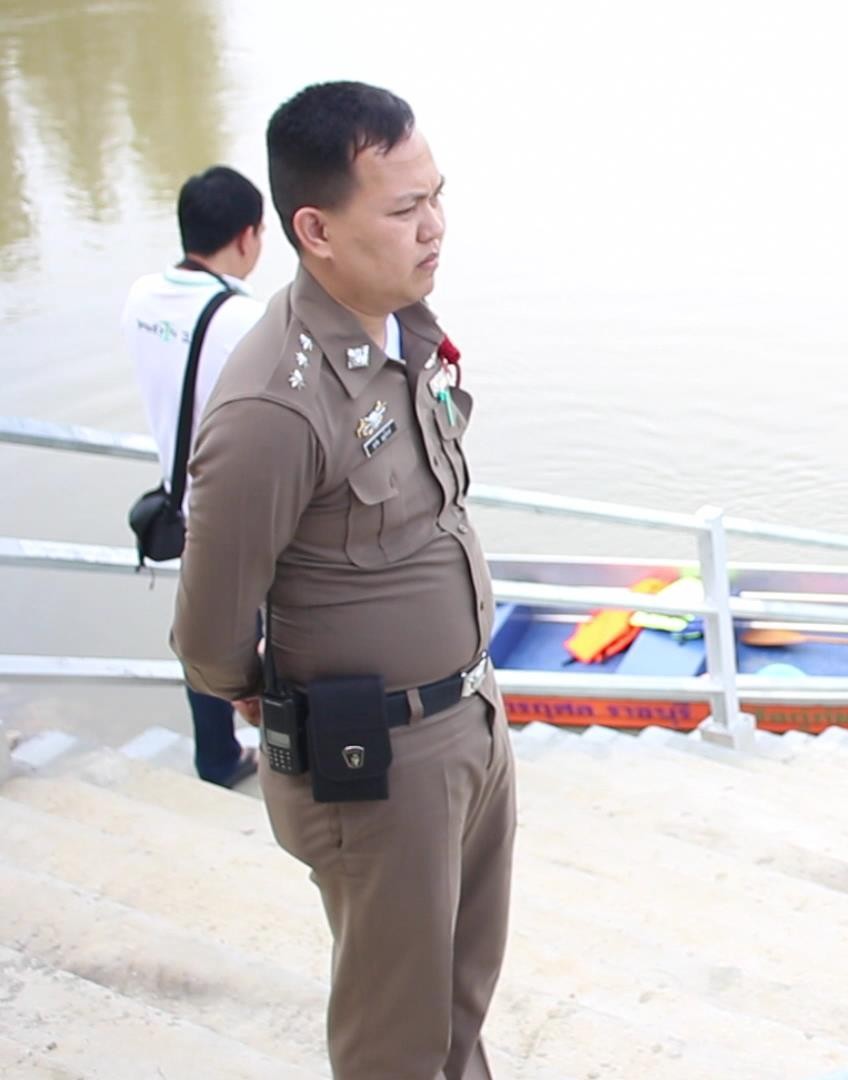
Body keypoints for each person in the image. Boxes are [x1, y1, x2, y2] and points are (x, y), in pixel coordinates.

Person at [170, 81, 514, 1079]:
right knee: (392, 1045)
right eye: (405, 210)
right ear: (314, 228)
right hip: (380, 765)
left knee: (456, 1012)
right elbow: (208, 638)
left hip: (468, 726)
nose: (435, 226)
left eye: (436, 196)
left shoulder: (407, 332)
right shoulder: (273, 405)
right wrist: (259, 680)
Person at [122, 164, 269, 788]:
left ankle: (215, 757)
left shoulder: (140, 298)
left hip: (181, 502)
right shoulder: (247, 319)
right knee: (260, 641)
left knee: (204, 633)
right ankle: (287, 758)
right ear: (247, 236)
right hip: (239, 511)